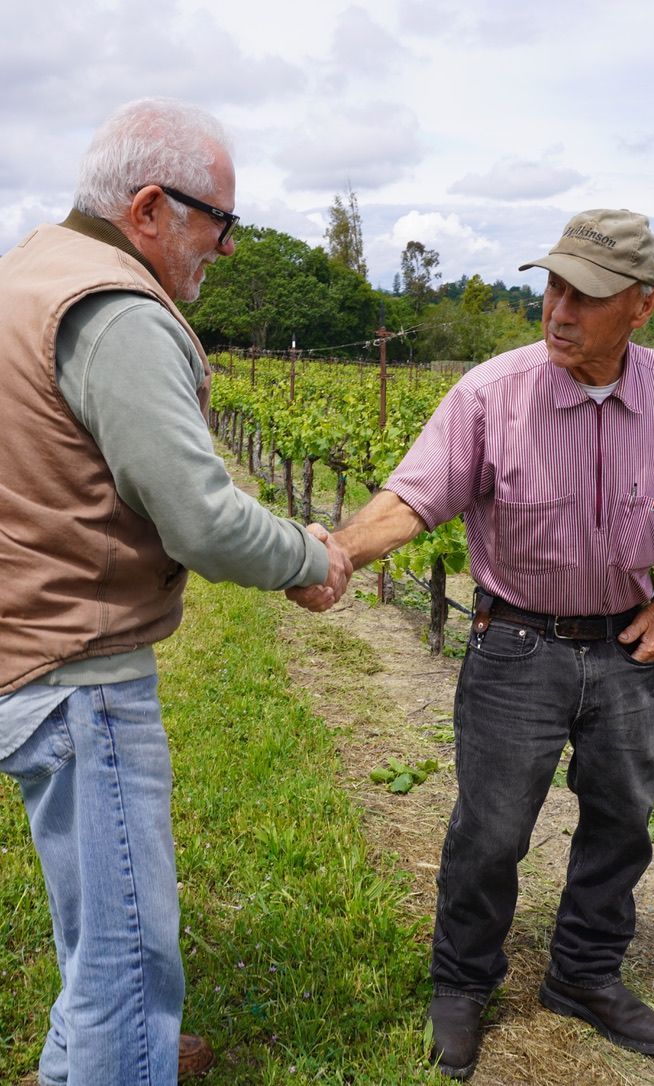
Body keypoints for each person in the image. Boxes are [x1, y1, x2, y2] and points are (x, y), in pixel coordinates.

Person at [288, 209, 654, 1079]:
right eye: (552, 285)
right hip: (517, 647)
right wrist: (329, 554)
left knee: (623, 826)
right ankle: (463, 982)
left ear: (642, 305)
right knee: (489, 831)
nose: (557, 309)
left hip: (626, 654)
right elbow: (413, 497)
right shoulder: (491, 394)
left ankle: (584, 976)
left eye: (585, 295)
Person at [0, 98, 350, 1086]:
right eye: (218, 222)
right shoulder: (115, 312)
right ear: (151, 208)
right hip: (82, 674)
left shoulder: (27, 270)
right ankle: (120, 1053)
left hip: (26, 645)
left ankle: (84, 1062)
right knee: (127, 955)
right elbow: (199, 516)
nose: (228, 248)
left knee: (90, 918)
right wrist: (310, 558)